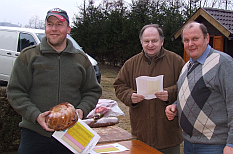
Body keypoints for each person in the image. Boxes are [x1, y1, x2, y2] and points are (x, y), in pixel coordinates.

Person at [7, 8, 102, 154]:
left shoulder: (81, 59)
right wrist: (35, 115)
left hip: (70, 134)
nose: (54, 29)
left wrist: (81, 110)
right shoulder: (29, 56)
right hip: (34, 133)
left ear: (68, 29)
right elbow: (15, 91)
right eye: (50, 24)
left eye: (59, 24)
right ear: (45, 27)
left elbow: (92, 91)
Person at [165, 21, 233, 154]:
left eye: (195, 39)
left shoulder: (223, 63)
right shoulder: (187, 66)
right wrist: (176, 105)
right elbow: (191, 93)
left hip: (214, 145)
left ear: (207, 38)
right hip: (189, 142)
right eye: (186, 40)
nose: (190, 44)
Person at [113, 24, 185, 154]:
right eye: (146, 41)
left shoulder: (176, 61)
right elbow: (119, 86)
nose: (150, 44)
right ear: (141, 43)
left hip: (168, 136)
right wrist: (130, 96)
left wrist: (170, 93)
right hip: (141, 133)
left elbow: (187, 86)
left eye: (154, 41)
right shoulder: (131, 64)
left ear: (162, 42)